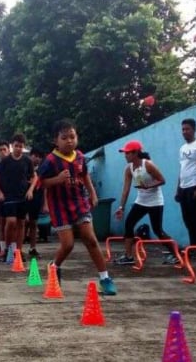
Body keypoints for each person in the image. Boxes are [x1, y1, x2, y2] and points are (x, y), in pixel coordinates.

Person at [38, 119, 117, 295]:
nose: (69, 141)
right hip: (59, 206)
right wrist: (57, 179)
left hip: (79, 202)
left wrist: (93, 193)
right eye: (64, 137)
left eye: (72, 136)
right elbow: (41, 182)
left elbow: (85, 175)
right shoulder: (50, 161)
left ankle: (105, 278)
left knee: (91, 239)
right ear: (55, 141)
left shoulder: (80, 157)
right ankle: (54, 265)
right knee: (68, 245)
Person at [114, 140, 179, 265]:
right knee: (129, 224)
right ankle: (128, 256)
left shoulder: (148, 165)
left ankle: (176, 254)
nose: (125, 156)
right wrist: (121, 207)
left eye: (127, 153)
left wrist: (148, 186)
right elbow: (126, 190)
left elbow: (162, 180)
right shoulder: (129, 169)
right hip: (141, 201)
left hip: (155, 202)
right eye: (125, 153)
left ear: (135, 153)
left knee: (158, 230)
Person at [0, 134, 37, 262]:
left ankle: (18, 250)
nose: (18, 148)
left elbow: (34, 176)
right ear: (12, 146)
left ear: (23, 147)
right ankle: (6, 248)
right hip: (8, 196)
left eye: (21, 146)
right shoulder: (6, 161)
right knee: (10, 221)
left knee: (21, 223)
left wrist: (31, 189)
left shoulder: (27, 161)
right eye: (16, 146)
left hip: (23, 195)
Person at [175, 118, 196, 257]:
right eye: (183, 129)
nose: (185, 132)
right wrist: (178, 188)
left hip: (195, 185)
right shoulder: (182, 148)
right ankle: (193, 247)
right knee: (187, 218)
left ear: (194, 129)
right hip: (184, 187)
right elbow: (182, 168)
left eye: (187, 129)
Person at [26, 148, 47, 259]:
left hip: (36, 198)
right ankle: (17, 249)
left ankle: (32, 248)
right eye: (35, 156)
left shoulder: (42, 171)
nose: (37, 158)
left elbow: (44, 187)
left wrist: (45, 204)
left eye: (40, 157)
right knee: (22, 223)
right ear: (30, 156)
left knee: (33, 223)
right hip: (23, 198)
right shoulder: (24, 167)